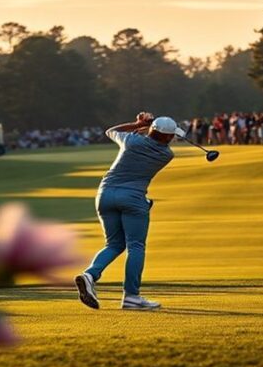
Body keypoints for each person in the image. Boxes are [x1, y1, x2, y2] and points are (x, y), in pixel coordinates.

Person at [74, 112, 184, 311]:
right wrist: (148, 129)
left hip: (105, 195)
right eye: (172, 136)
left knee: (114, 244)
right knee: (135, 246)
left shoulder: (131, 141)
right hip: (133, 198)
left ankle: (90, 275)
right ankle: (131, 297)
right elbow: (159, 139)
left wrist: (137, 124)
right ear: (168, 137)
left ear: (150, 131)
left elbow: (111, 131)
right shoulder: (166, 154)